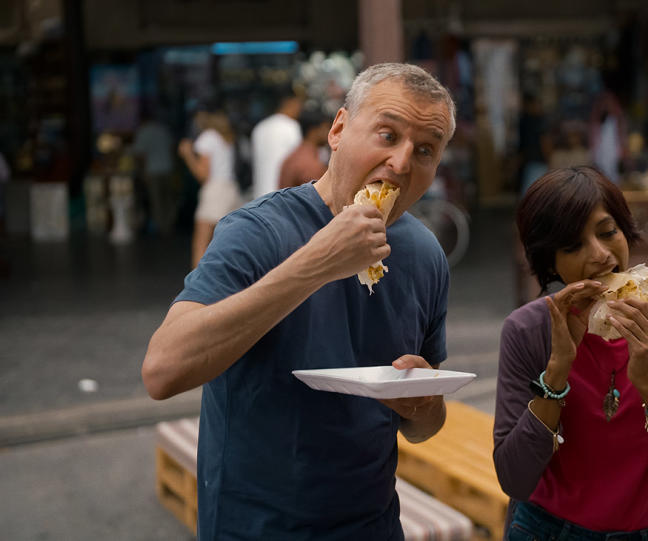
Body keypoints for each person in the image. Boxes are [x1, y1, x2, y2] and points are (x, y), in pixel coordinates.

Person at [142, 63, 456, 540]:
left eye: (426, 150)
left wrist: (425, 406)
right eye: (387, 135)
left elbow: (422, 427)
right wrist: (317, 263)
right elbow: (162, 370)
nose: (401, 162)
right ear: (338, 129)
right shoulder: (256, 231)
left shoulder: (425, 255)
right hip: (254, 527)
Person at [494, 166, 648, 541]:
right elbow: (514, 479)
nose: (601, 255)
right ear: (550, 262)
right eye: (573, 246)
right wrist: (557, 372)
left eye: (608, 232)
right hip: (548, 530)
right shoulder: (528, 331)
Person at [178, 108, 245, 268]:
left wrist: (187, 155)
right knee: (224, 241)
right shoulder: (225, 138)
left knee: (201, 242)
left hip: (215, 190)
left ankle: (198, 287)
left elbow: (203, 174)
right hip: (230, 189)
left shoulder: (207, 137)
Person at [251, 87, 304, 199]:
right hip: (281, 196)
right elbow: (296, 165)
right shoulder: (291, 127)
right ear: (290, 102)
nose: (300, 109)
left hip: (259, 196)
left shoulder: (260, 127)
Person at [132, 107, 178, 234]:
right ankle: (170, 224)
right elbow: (172, 149)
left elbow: (140, 156)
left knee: (156, 201)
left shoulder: (143, 132)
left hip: (152, 170)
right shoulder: (163, 130)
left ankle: (161, 227)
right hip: (167, 168)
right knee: (169, 199)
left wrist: (142, 172)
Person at [277, 109, 332, 189]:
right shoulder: (309, 164)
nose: (330, 132)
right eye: (326, 128)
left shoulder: (295, 155)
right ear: (313, 131)